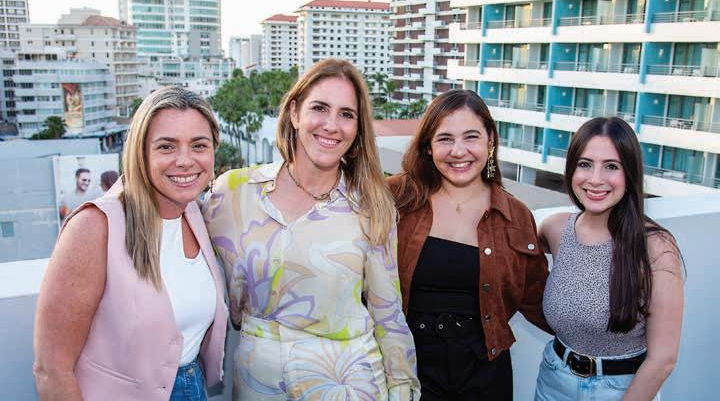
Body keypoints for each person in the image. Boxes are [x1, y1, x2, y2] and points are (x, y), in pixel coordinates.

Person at [204, 58, 420, 400]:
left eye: (346, 114)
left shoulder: (370, 206)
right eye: (319, 108)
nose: (332, 125)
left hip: (350, 384)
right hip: (257, 384)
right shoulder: (233, 192)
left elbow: (388, 313)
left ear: (358, 128)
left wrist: (403, 388)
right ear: (294, 113)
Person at [34, 86, 228, 401]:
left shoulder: (196, 214)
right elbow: (51, 370)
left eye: (199, 145)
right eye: (166, 146)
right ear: (140, 152)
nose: (185, 160)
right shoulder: (95, 226)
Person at [387, 89, 551, 400]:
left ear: (490, 141)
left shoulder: (516, 216)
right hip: (406, 368)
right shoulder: (395, 198)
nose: (458, 151)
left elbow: (540, 301)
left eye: (471, 137)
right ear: (428, 147)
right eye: (445, 139)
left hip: (485, 374)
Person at [535, 117, 684, 401]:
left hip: (621, 390)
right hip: (553, 382)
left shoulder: (655, 247)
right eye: (585, 164)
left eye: (611, 166)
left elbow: (663, 360)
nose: (595, 179)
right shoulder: (555, 229)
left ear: (630, 173)